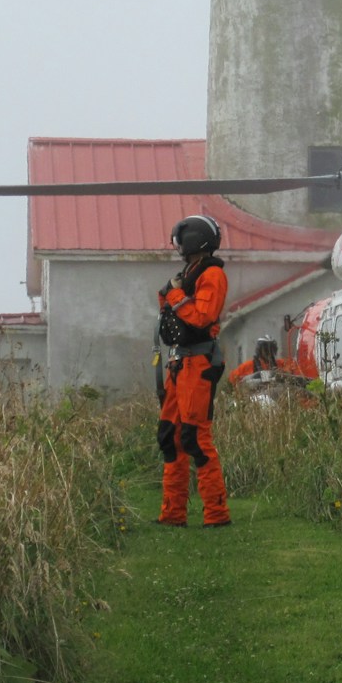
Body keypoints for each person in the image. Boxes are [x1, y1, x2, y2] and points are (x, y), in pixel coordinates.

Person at [155, 214, 231, 528]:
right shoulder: (189, 274)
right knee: (170, 437)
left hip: (198, 364)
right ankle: (173, 514)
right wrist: (171, 295)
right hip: (179, 363)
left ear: (190, 241)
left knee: (195, 438)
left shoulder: (211, 275)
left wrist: (174, 295)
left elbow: (201, 316)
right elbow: (173, 308)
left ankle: (216, 514)